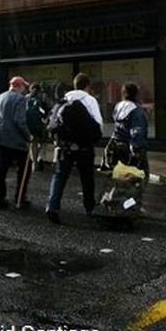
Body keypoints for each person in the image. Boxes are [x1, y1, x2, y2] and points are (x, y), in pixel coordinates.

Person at [45, 73, 102, 224]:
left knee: (60, 175)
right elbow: (98, 124)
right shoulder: (89, 100)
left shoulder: (64, 99)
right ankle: (89, 208)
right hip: (84, 147)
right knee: (87, 178)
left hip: (64, 146)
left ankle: (52, 206)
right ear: (88, 86)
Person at [0, 76, 34, 209]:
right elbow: (20, 121)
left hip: (0, 138)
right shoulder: (20, 99)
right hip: (16, 140)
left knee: (1, 170)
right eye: (23, 86)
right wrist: (28, 136)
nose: (24, 89)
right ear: (18, 86)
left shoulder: (0, 97)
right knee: (25, 168)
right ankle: (20, 197)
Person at [105, 82, 150, 178]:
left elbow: (116, 126)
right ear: (136, 94)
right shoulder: (136, 109)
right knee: (140, 176)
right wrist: (136, 149)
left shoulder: (118, 107)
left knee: (119, 176)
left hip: (117, 145)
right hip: (129, 146)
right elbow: (137, 130)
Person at [25, 83, 49, 171]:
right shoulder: (42, 97)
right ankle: (40, 157)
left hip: (29, 124)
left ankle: (34, 163)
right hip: (40, 123)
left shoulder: (25, 98)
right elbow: (51, 107)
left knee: (33, 142)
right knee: (44, 141)